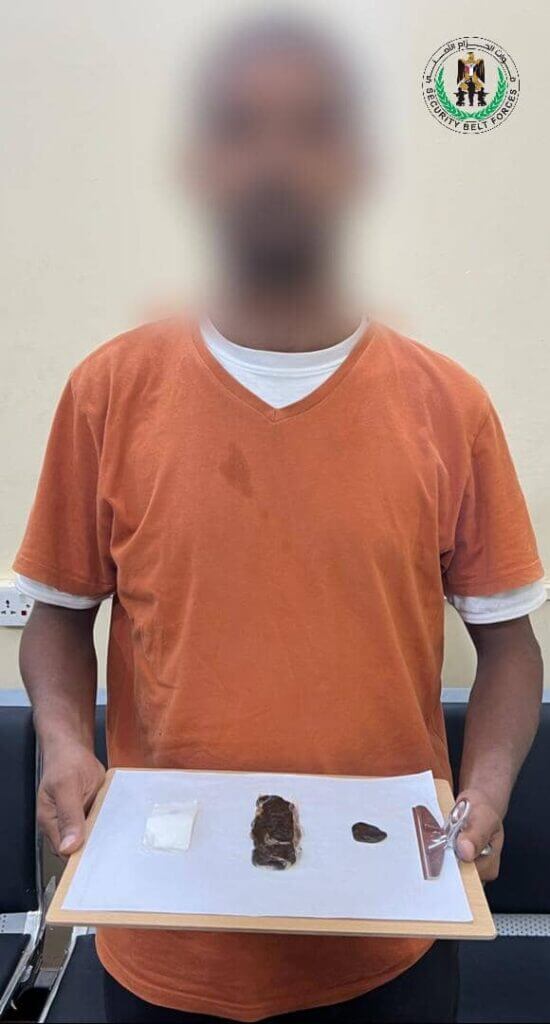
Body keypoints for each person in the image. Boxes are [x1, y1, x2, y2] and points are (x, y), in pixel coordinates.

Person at [15, 15, 544, 1024]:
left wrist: (487, 784)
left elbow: (510, 648)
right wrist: (63, 741)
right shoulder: (108, 392)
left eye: (312, 128)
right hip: (161, 937)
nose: (275, 161)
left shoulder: (450, 406)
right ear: (198, 165)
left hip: (390, 939)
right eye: (240, 128)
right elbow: (56, 616)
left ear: (358, 166)